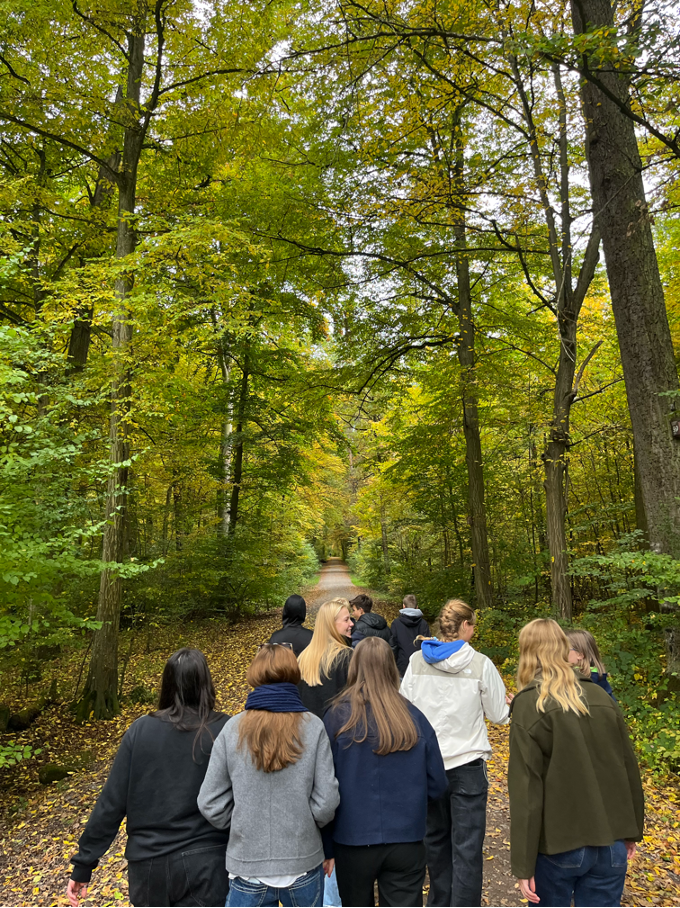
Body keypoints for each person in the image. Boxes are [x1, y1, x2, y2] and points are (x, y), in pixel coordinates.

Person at [67, 649, 230, 908]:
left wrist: (84, 863)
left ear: (167, 684)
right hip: (206, 862)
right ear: (206, 683)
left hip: (148, 865)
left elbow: (111, 802)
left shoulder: (141, 730)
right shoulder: (224, 729)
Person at [509, 618, 644, 908]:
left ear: (527, 653)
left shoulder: (530, 704)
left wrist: (523, 865)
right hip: (611, 842)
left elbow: (526, 789)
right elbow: (628, 770)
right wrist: (631, 831)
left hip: (558, 847)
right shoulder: (601, 696)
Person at [198, 643, 339, 908]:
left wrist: (243, 822)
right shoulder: (313, 726)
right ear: (293, 673)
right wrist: (305, 821)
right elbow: (327, 801)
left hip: (247, 863)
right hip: (302, 859)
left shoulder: (233, 728)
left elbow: (209, 802)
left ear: (255, 675)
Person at [400, 599, 509, 907]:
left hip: (428, 765)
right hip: (468, 766)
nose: (474, 631)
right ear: (463, 626)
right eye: (472, 625)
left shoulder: (417, 661)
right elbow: (499, 715)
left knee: (435, 842)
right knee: (468, 848)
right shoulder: (480, 664)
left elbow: (403, 708)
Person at [324, 637, 448, 908]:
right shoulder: (413, 717)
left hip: (352, 838)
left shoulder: (336, 717)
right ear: (391, 668)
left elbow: (323, 784)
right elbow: (438, 784)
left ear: (354, 668)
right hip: (405, 837)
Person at [297, 598, 354, 719]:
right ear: (331, 624)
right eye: (346, 620)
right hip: (339, 729)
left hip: (309, 730)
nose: (351, 624)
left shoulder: (303, 657)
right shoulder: (347, 656)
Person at [565, 627, 615, 698]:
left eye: (564, 649)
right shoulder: (599, 679)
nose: (559, 653)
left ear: (579, 654)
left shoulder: (581, 684)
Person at [391, 594, 430, 676]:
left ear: (403, 606)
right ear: (417, 607)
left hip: (402, 667)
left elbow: (393, 647)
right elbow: (428, 645)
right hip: (420, 667)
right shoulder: (423, 624)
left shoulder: (396, 623)